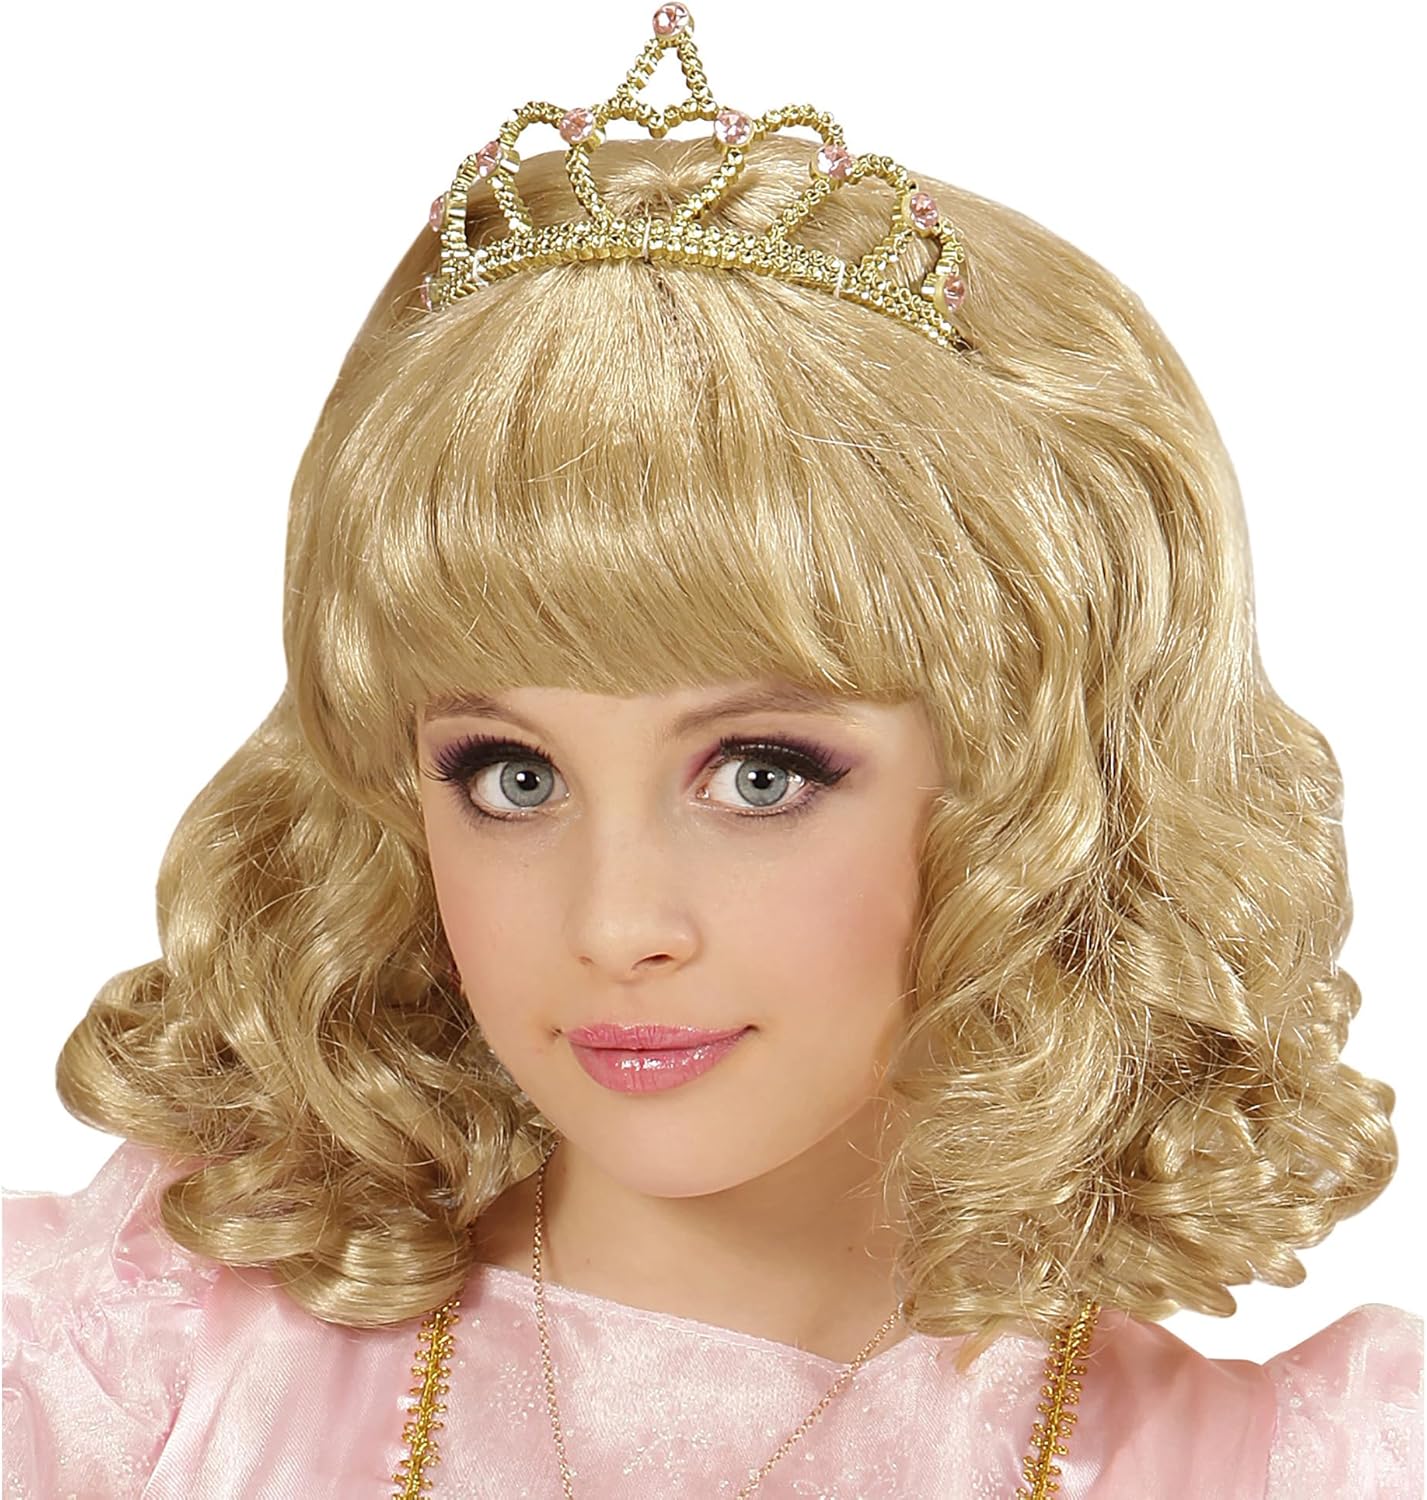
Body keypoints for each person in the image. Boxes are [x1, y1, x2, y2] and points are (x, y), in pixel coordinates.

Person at [4, 7, 1421, 1497]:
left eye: (761, 775)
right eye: (513, 777)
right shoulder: (121, 1376)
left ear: (1035, 791)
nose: (617, 925)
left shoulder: (1296, 1470)